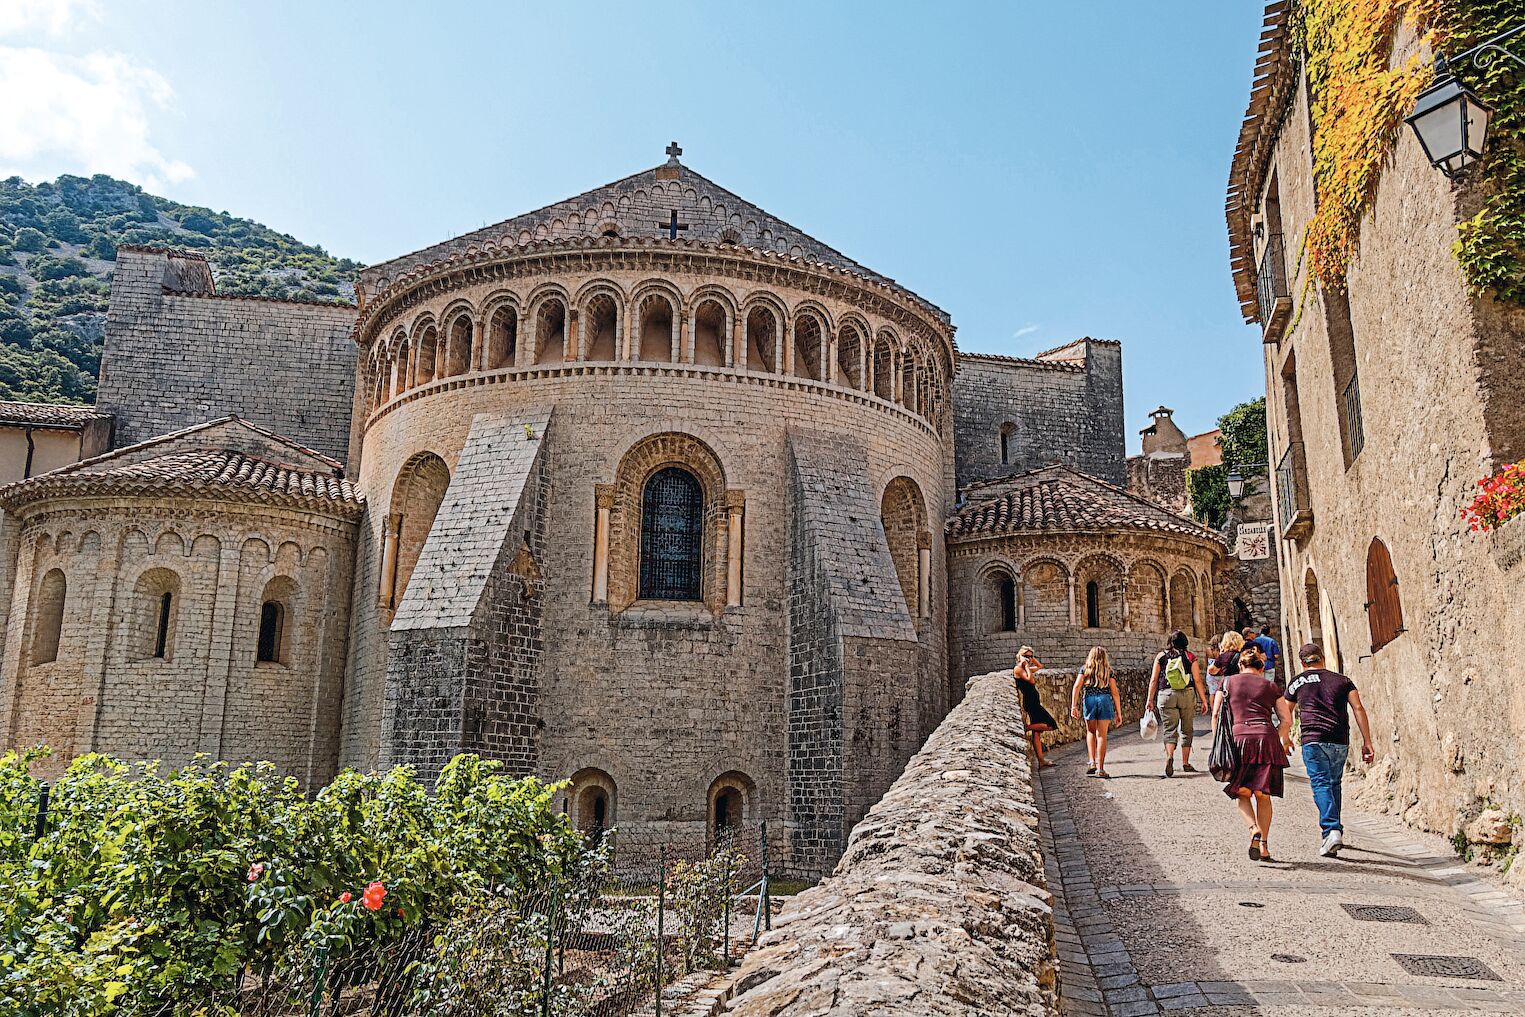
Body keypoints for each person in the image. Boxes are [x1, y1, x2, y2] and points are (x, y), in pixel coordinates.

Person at [1285, 642, 1375, 857]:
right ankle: (1335, 830)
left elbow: (1285, 712)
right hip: (1338, 740)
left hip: (1313, 739)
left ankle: (1331, 829)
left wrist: (1285, 738)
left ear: (1302, 663)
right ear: (1322, 658)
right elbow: (1358, 708)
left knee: (1321, 783)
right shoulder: (1342, 680)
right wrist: (1367, 740)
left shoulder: (1297, 682)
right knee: (1334, 783)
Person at [1217, 646, 1294, 862]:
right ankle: (1264, 847)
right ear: (1261, 668)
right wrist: (1277, 736)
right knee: (1263, 795)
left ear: (1240, 665)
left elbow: (1217, 716)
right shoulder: (1271, 686)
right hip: (1266, 739)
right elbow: (1287, 720)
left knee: (1242, 793)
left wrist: (1222, 745)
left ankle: (1253, 829)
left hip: (1239, 739)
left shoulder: (1227, 683)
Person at [1146, 630, 1209, 778]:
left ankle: (1169, 756)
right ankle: (1186, 763)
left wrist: (1150, 699)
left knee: (1169, 730)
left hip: (1166, 694)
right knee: (1187, 729)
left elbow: (1154, 680)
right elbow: (1197, 680)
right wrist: (1203, 699)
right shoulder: (1190, 657)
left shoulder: (1161, 656)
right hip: (1186, 694)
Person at [1070, 646, 1122, 779]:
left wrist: (1073, 706)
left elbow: (1076, 687)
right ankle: (1100, 768)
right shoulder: (1108, 671)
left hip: (1090, 699)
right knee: (1102, 735)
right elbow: (1115, 692)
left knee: (1091, 732)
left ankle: (1092, 762)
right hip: (1105, 700)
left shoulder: (1084, 669)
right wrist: (1118, 712)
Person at [1013, 646, 1059, 769]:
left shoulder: (1024, 668)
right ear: (1020, 656)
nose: (1028, 659)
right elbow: (1030, 680)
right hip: (1031, 703)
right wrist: (1026, 666)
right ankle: (1025, 728)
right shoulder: (1018, 669)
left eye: (1030, 656)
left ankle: (1041, 760)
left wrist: (1032, 660)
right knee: (1051, 725)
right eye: (1026, 656)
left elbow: (1040, 667)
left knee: (1037, 733)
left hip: (1034, 701)